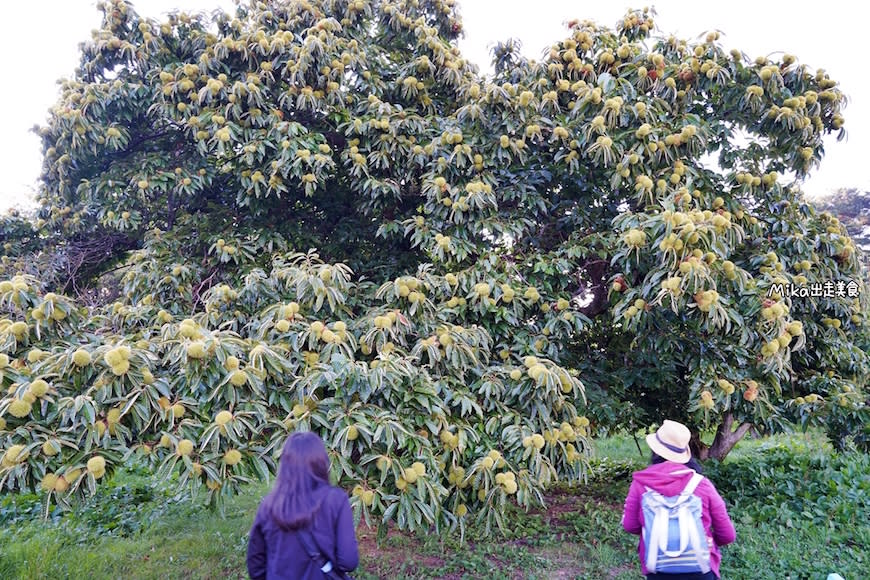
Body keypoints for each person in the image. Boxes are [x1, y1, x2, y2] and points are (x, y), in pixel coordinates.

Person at [622, 420, 736, 580]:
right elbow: (727, 535)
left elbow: (630, 526)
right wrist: (704, 539)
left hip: (658, 569)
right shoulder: (702, 484)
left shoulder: (641, 484)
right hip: (701, 570)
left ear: (655, 450)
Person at [247, 432, 359, 579]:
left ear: (285, 464)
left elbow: (255, 563)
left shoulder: (269, 505)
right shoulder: (336, 500)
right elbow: (348, 561)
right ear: (321, 462)